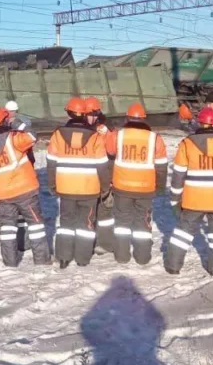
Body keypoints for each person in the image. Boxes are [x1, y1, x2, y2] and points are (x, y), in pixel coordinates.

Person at [165, 107, 213, 275]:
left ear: (200, 123)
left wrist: (174, 199)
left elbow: (178, 175)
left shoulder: (187, 144)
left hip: (194, 199)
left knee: (183, 232)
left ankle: (173, 265)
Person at [0, 107, 50, 267]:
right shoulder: (13, 138)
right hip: (24, 190)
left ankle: (9, 262)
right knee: (35, 224)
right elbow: (32, 136)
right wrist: (19, 124)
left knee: (7, 228)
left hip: (3, 194)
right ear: (4, 121)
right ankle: (42, 260)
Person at [47, 97, 111, 269]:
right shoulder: (95, 137)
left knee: (66, 223)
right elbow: (102, 166)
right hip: (89, 189)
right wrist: (105, 188)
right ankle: (83, 258)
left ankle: (63, 258)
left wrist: (52, 184)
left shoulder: (57, 135)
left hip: (66, 188)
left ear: (68, 112)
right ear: (85, 115)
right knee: (86, 223)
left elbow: (51, 163)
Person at [105, 102, 168, 264]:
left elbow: (110, 151)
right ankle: (142, 257)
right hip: (145, 189)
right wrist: (160, 186)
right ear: (145, 120)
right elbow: (161, 166)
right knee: (143, 221)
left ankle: (121, 256)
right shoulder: (155, 139)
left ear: (127, 117)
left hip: (122, 187)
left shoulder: (118, 135)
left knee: (121, 222)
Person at [83, 97, 114, 251]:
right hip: (84, 175)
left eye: (94, 114)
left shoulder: (104, 130)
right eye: (89, 114)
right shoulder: (79, 128)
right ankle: (88, 242)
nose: (92, 117)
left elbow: (112, 152)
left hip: (101, 173)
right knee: (87, 211)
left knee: (104, 210)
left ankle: (104, 242)